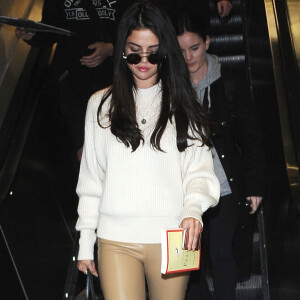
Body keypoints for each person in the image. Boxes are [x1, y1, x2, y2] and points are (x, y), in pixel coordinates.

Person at [75, 1, 220, 300]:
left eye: (153, 52)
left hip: (173, 237)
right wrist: (86, 241)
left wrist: (193, 210)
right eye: (133, 51)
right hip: (115, 239)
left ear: (165, 51)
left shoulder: (184, 104)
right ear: (121, 50)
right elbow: (91, 180)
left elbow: (200, 171)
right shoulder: (100, 105)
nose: (143, 60)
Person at [174, 10, 265, 300]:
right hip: (183, 188)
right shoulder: (170, 87)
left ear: (208, 42)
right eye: (181, 51)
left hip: (224, 185)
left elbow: (251, 136)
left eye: (195, 48)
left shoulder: (229, 82)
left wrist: (254, 186)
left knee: (221, 252)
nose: (189, 57)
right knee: (190, 262)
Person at [16, 0, 134, 161]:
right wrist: (33, 35)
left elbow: (137, 28)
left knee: (116, 142)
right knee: (82, 147)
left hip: (114, 79)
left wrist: (111, 48)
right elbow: (51, 29)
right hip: (72, 78)